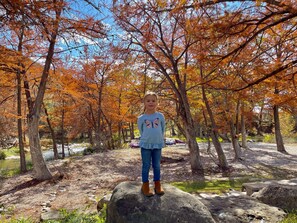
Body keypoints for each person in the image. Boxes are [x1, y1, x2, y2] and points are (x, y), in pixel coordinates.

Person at [137, 91, 165, 197]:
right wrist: (147, 138)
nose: (151, 103)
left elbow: (162, 129)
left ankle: (157, 185)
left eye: (153, 101)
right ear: (144, 102)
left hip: (157, 144)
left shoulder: (160, 116)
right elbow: (141, 131)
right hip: (145, 145)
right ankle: (145, 186)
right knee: (146, 165)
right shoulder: (141, 118)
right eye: (148, 100)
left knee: (157, 165)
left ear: (157, 102)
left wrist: (159, 139)